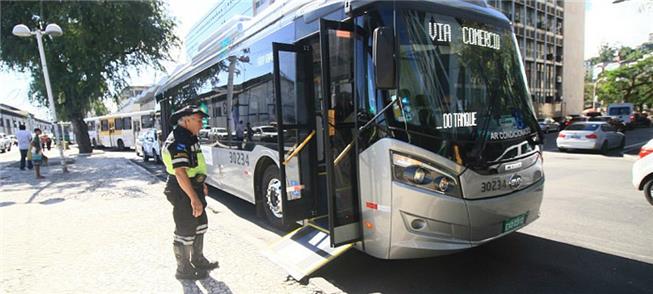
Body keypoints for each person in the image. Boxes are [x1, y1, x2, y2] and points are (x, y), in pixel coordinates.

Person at [162, 105, 218, 280]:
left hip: (193, 186)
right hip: (182, 190)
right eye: (199, 120)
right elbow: (180, 173)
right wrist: (194, 198)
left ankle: (198, 259)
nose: (202, 124)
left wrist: (201, 184)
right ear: (186, 120)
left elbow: (195, 165)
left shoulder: (189, 137)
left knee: (200, 224)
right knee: (185, 228)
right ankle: (183, 269)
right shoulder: (179, 140)